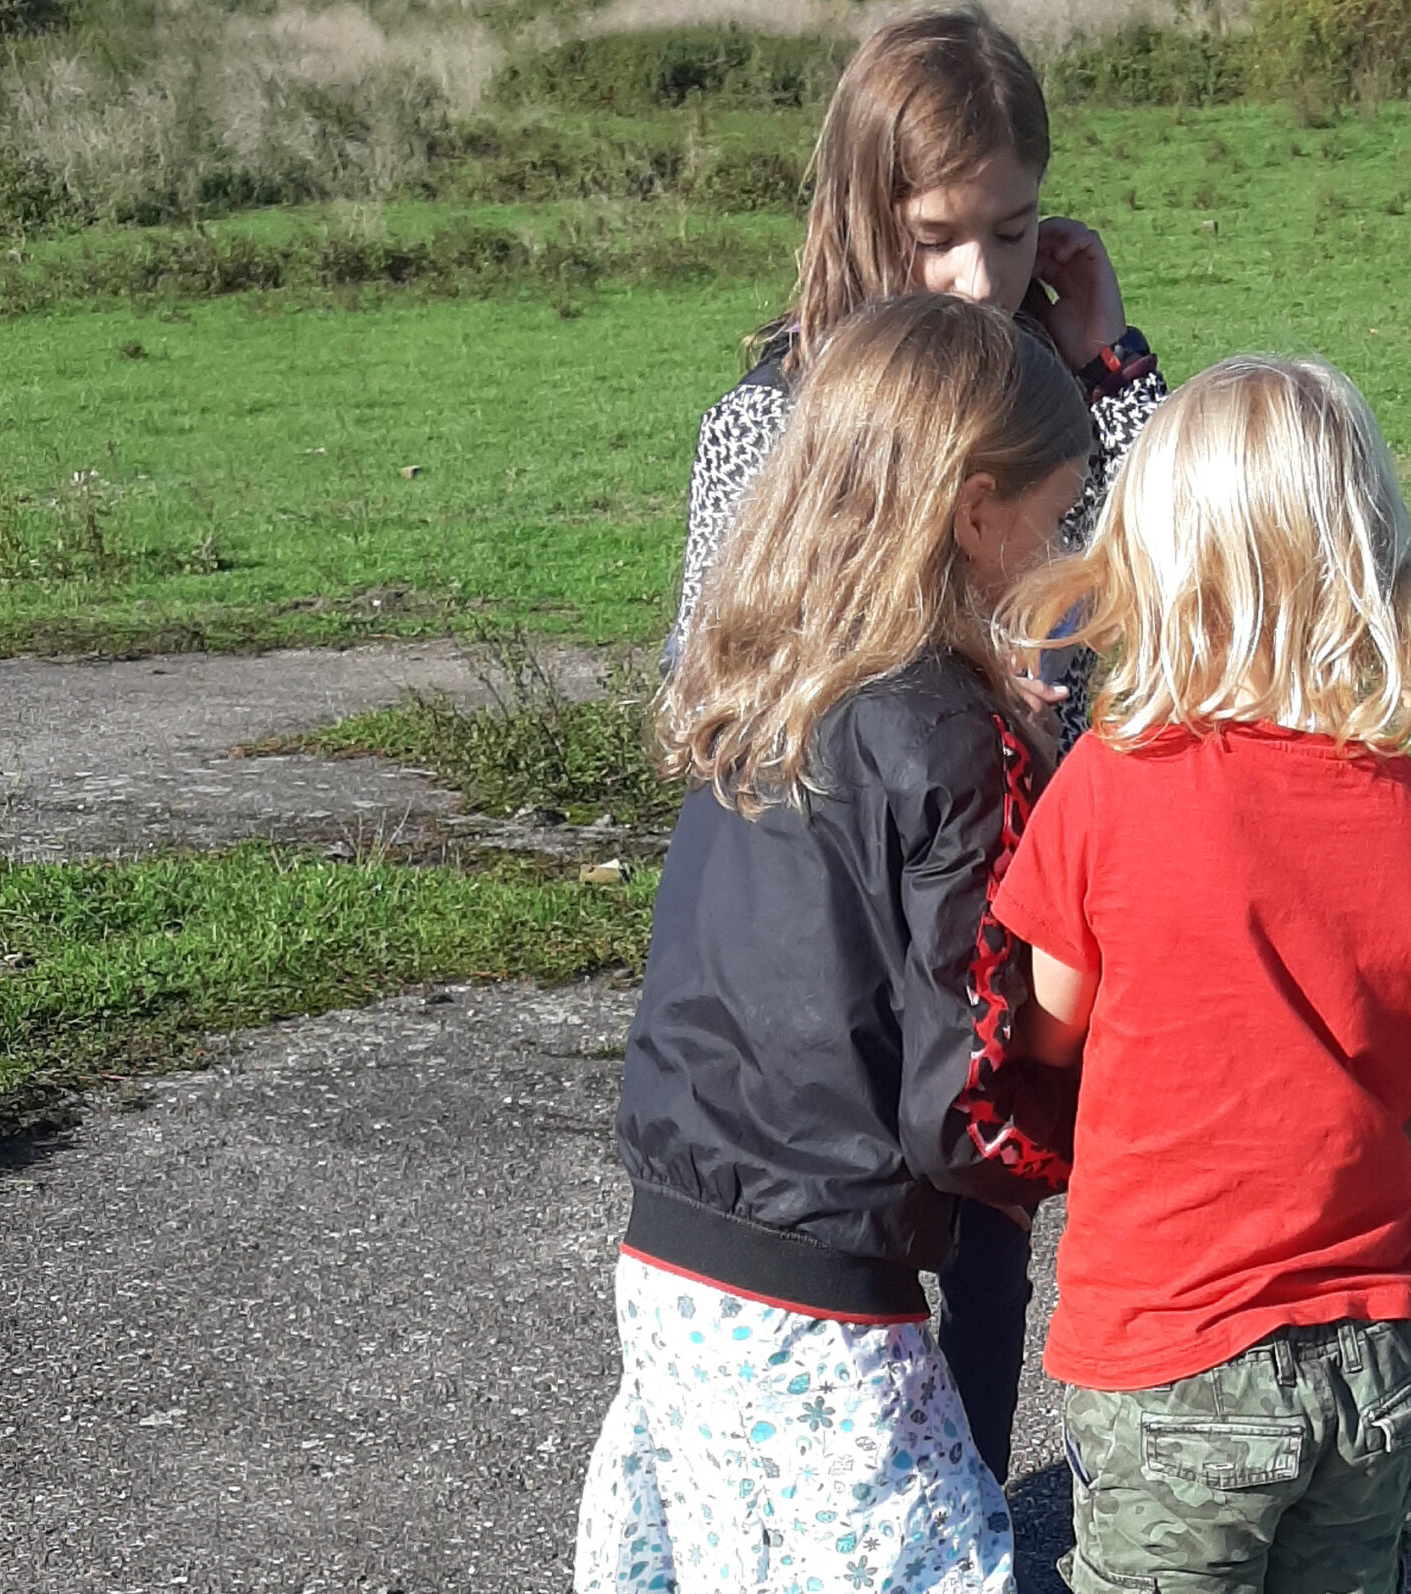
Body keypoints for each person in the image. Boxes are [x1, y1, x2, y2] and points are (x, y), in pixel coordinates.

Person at [665, 5, 1165, 1479]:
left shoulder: (1043, 384)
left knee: (995, 1229)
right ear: (862, 212)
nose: (976, 277)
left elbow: (1161, 571)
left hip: (1011, 881)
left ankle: (972, 1512)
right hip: (831, 909)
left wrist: (1111, 356)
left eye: (1012, 234)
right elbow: (723, 677)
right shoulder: (783, 409)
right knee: (838, 1252)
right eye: (940, 237)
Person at [573, 295, 1092, 1594]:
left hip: (673, 1268)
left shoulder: (762, 686)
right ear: (976, 511)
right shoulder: (957, 746)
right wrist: (1092, 1120)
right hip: (818, 1298)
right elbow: (963, 1101)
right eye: (1055, 515)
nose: (1063, 552)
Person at [989, 356, 1411, 1594]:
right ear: (1374, 560)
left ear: (1152, 567)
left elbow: (1045, 1036)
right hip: (1368, 1347)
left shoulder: (1109, 794)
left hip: (1168, 1347)